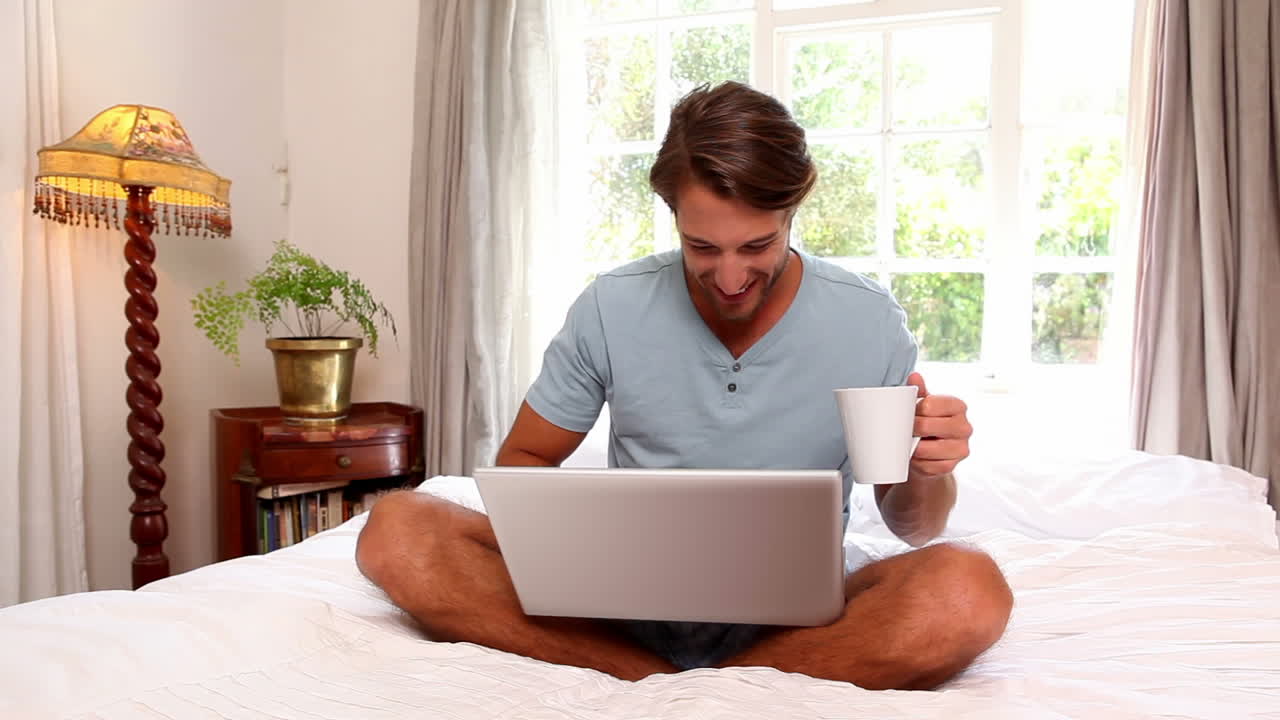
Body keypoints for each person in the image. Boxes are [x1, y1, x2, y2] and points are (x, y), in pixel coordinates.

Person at [357, 81, 1013, 690]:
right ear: (672, 217)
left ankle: (699, 686)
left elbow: (912, 525)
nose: (730, 277)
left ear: (793, 209)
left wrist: (929, 468)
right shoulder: (611, 308)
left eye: (757, 245)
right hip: (621, 607)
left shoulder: (868, 321)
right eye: (703, 248)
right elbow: (523, 461)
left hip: (798, 619)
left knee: (968, 591)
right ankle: (661, 686)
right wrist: (586, 546)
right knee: (397, 530)